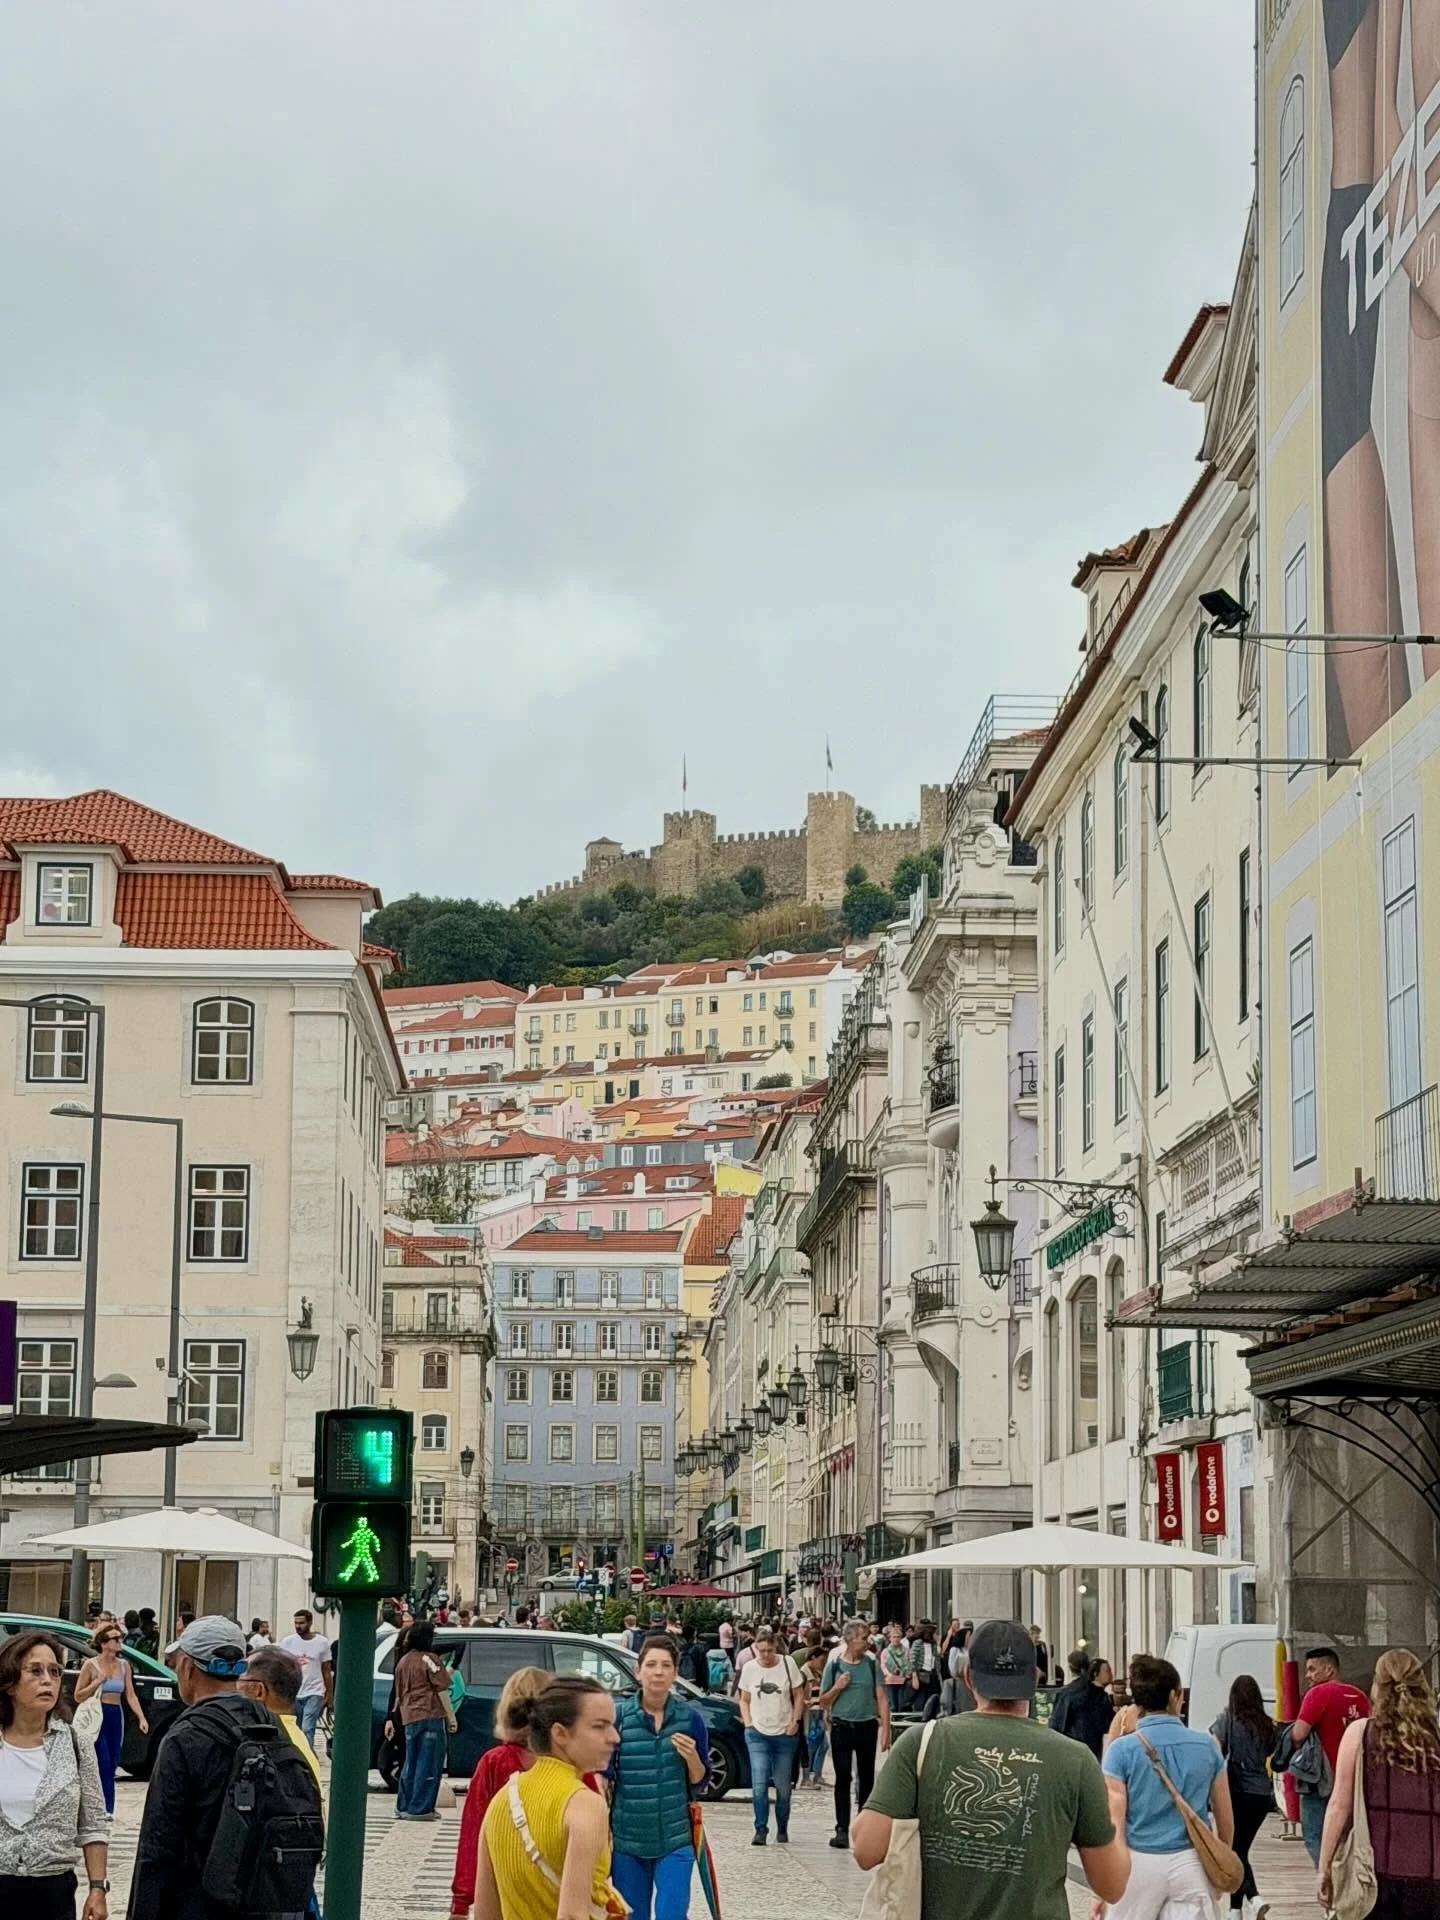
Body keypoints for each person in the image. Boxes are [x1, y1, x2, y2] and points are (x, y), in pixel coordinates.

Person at [854, 1618, 1129, 1920]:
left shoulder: (922, 1742)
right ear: (1035, 1678)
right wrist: (1115, 1814)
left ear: (968, 1677)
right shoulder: (1075, 1759)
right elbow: (1112, 1886)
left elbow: (867, 1851)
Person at [127, 1614, 321, 1920]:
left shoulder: (186, 1735)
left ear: (189, 1667)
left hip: (199, 1903)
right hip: (264, 1901)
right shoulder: (271, 1724)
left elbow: (158, 1845)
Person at [452, 1667, 605, 1916]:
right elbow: (597, 1844)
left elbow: (473, 1833)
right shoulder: (576, 1769)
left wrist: (461, 1900)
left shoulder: (494, 1763)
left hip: (506, 1894)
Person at [1102, 1652, 1233, 1920]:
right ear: (1175, 1696)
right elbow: (1225, 1817)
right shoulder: (1207, 1746)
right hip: (1192, 1862)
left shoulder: (1121, 1751)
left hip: (1138, 1863)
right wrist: (1219, 1867)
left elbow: (1113, 1822)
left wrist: (1106, 1885)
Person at [1319, 1647, 1440, 1920]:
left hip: (1373, 1875)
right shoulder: (1435, 1740)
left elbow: (1339, 1805)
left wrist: (1324, 1867)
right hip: (1432, 1877)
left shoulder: (1360, 1733)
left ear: (1378, 1687)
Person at [0, 1629, 109, 1920]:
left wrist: (98, 1889)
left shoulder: (76, 1743)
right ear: (9, 1681)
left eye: (55, 1671)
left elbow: (94, 1824)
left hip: (53, 1893)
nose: (47, 1680)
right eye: (35, 1671)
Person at [609, 1635, 709, 1914]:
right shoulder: (618, 1718)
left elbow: (699, 1781)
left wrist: (692, 1758)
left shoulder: (691, 1720)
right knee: (631, 1914)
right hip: (627, 1840)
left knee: (672, 1914)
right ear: (638, 1670)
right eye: (651, 1664)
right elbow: (603, 1778)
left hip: (675, 1839)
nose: (658, 1671)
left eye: (666, 1665)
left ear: (676, 1673)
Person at [1290, 1642, 1370, 1864]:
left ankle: (1327, 1878)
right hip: (1356, 1779)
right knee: (1347, 1836)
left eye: (1312, 1669)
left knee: (1315, 1835)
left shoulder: (1317, 1694)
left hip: (1322, 1780)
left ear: (1329, 1670)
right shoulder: (1360, 1697)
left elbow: (1298, 1734)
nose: (1308, 1675)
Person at [819, 1617, 890, 1849]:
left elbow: (881, 1697)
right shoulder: (835, 1664)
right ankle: (841, 1828)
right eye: (862, 1638)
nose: (866, 1642)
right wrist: (838, 1686)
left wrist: (886, 1728)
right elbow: (822, 1701)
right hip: (841, 1726)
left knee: (867, 1777)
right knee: (842, 1777)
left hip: (866, 1725)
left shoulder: (871, 1663)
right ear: (849, 1639)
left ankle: (863, 1826)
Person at [1210, 1674, 1277, 1920]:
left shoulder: (1226, 1719)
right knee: (1240, 1849)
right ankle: (1236, 1909)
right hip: (1261, 1794)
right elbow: (1274, 1753)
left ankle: (1252, 1898)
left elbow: (1216, 1751)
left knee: (1236, 1850)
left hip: (1236, 1791)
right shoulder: (1267, 1724)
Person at [737, 1628, 804, 1845]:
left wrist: (795, 1721)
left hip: (784, 1732)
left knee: (783, 1785)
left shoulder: (787, 1664)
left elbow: (798, 1693)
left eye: (769, 1651)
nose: (765, 1656)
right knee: (759, 1781)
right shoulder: (749, 1668)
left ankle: (782, 1826)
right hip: (757, 1732)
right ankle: (760, 1828)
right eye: (761, 1651)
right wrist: (748, 1723)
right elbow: (744, 1698)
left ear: (776, 1648)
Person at [75, 1621, 149, 1814]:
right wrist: (96, 1683)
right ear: (103, 1642)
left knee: (113, 1761)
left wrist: (141, 1717)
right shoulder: (90, 1665)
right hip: (98, 1715)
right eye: (115, 1639)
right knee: (102, 1761)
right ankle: (101, 1807)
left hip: (116, 1715)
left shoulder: (124, 1666)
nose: (119, 1642)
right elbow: (78, 1695)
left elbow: (130, 1695)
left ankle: (108, 1808)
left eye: (120, 1638)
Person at [239, 1646, 321, 1795]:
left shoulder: (271, 1743)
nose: (234, 1687)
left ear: (258, 1690)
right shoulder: (296, 1738)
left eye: (239, 1680)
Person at [393, 1619, 453, 1820]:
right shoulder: (430, 1659)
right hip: (430, 1713)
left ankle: (404, 1805)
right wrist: (451, 1717)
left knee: (410, 1762)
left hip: (409, 1715)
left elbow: (399, 1692)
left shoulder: (404, 1660)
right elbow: (442, 1687)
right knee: (429, 1762)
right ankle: (421, 1807)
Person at [279, 1610, 333, 1753]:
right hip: (294, 1692)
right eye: (296, 1623)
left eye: (301, 1623)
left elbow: (326, 1671)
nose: (298, 1626)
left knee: (307, 1727)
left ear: (309, 1622)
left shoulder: (322, 1643)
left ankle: (307, 1758)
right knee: (295, 1728)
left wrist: (329, 1696)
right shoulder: (287, 1642)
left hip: (315, 1692)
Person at [1049, 1649, 1113, 1761]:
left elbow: (1057, 1725)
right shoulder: (1101, 1695)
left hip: (1071, 1752)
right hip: (1094, 1752)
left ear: (1070, 1667)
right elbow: (1107, 1724)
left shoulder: (1066, 1693)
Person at [801, 1642, 829, 1787]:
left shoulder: (818, 1673)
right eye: (821, 1660)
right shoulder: (803, 1673)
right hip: (809, 1713)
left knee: (823, 1745)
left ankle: (817, 1775)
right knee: (810, 1745)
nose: (823, 1663)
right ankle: (806, 1777)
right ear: (813, 1657)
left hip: (818, 1712)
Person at [909, 1621, 942, 1712]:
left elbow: (937, 1656)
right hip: (921, 1674)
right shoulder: (918, 1643)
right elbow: (913, 1660)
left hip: (932, 1674)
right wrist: (914, 1676)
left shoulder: (933, 1645)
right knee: (921, 1697)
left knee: (933, 1697)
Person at [879, 1622, 911, 1710]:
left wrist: (907, 1673)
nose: (896, 1639)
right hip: (890, 1680)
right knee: (892, 1705)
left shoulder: (906, 1650)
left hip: (902, 1679)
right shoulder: (885, 1651)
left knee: (901, 1705)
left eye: (898, 1637)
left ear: (901, 1638)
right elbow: (883, 1665)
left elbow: (909, 1663)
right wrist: (888, 1674)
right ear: (890, 1638)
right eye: (894, 1637)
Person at [676, 1625, 708, 1689]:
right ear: (693, 1635)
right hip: (695, 1682)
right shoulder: (698, 1648)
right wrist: (705, 1686)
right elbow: (703, 1668)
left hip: (682, 1682)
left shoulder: (679, 1649)